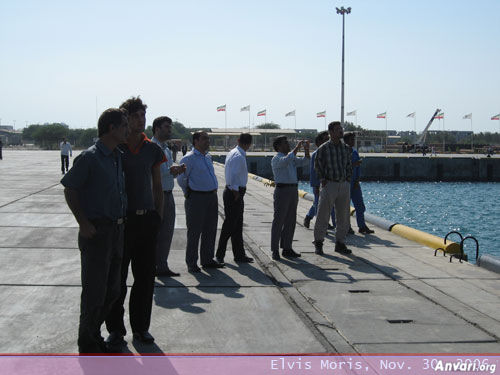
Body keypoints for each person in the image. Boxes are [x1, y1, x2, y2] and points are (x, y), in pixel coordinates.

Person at [61, 108, 128, 353]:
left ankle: (93, 333)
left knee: (113, 290)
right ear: (111, 128)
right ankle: (88, 342)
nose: (127, 131)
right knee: (94, 291)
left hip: (117, 230)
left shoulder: (116, 155)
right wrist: (83, 222)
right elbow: (70, 188)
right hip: (97, 232)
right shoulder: (89, 158)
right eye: (124, 126)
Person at [105, 97, 165, 350]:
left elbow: (157, 186)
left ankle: (141, 328)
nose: (142, 119)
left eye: (144, 115)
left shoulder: (152, 149)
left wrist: (157, 217)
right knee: (117, 280)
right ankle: (116, 330)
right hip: (122, 222)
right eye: (137, 115)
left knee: (144, 279)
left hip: (146, 221)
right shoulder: (115, 147)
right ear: (125, 118)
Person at [177, 131, 224, 273]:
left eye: (208, 139)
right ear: (196, 141)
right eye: (204, 139)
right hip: (196, 198)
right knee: (194, 232)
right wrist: (189, 193)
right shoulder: (189, 159)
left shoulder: (207, 157)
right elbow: (181, 179)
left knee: (210, 230)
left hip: (211, 197)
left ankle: (207, 260)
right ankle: (192, 262)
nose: (207, 141)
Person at [151, 116, 186, 277]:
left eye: (170, 127)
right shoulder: (151, 148)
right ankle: (151, 265)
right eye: (166, 127)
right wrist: (170, 171)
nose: (169, 130)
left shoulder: (165, 148)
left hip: (168, 193)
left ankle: (162, 265)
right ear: (157, 128)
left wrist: (175, 170)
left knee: (167, 232)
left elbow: (165, 171)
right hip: (156, 195)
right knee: (154, 233)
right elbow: (152, 173)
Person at [313, 121, 352, 255]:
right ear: (331, 132)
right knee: (323, 215)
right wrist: (323, 179)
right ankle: (319, 242)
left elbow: (348, 164)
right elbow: (317, 164)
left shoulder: (346, 148)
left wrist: (348, 179)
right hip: (330, 184)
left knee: (344, 216)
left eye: (341, 129)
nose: (341, 131)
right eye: (338, 129)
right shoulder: (323, 148)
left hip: (343, 185)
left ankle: (340, 243)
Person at [216, 133, 254, 264]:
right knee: (230, 225)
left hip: (234, 191)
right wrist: (236, 191)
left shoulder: (233, 152)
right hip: (234, 192)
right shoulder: (238, 156)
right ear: (248, 144)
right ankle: (220, 254)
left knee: (237, 226)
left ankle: (239, 254)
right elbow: (232, 175)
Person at [270, 136, 310, 260]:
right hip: (282, 190)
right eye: (285, 143)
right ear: (278, 146)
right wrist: (297, 147)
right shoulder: (276, 158)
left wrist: (306, 150)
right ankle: (275, 249)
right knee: (279, 220)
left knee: (291, 220)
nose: (288, 145)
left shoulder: (290, 158)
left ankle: (287, 247)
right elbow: (286, 160)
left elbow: (305, 161)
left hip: (292, 190)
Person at [303, 131, 336, 230]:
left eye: (328, 139)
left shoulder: (330, 152)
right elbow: (314, 172)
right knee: (319, 205)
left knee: (330, 205)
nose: (327, 141)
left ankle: (334, 224)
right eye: (325, 139)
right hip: (319, 184)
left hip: (330, 183)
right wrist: (316, 186)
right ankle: (321, 225)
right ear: (319, 142)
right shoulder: (316, 154)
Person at [343, 132, 374, 235]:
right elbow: (343, 167)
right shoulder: (343, 152)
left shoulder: (355, 152)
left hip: (355, 183)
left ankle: (362, 226)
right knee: (345, 206)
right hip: (346, 182)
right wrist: (353, 164)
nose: (353, 142)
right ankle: (347, 226)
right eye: (351, 140)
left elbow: (358, 168)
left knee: (360, 206)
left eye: (354, 140)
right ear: (346, 141)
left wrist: (357, 180)